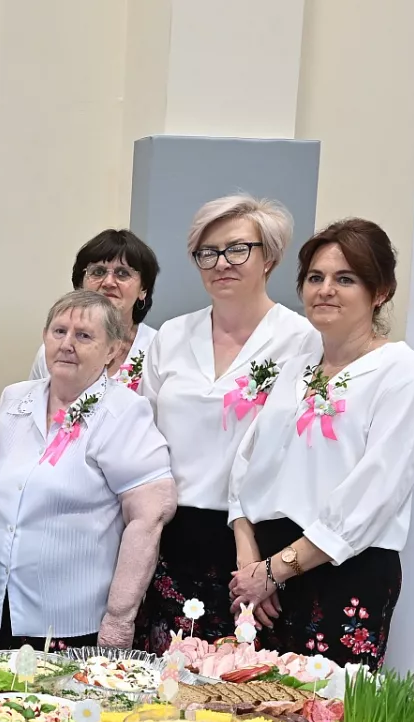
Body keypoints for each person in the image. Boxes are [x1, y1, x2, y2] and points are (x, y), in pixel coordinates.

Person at [227, 218, 414, 665]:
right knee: (248, 714)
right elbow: (247, 463)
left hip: (343, 570)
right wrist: (252, 564)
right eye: (315, 278)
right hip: (264, 578)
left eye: (345, 279)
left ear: (379, 292)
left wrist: (277, 569)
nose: (325, 289)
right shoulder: (297, 363)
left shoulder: (402, 372)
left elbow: (375, 492)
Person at [138, 195, 320, 650]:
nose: (222, 263)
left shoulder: (302, 341)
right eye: (208, 252)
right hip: (173, 534)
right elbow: (145, 439)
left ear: (270, 257)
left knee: (246, 685)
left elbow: (301, 453)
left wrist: (267, 557)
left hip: (258, 538)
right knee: (166, 679)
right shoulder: (172, 336)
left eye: (238, 249)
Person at [0, 291, 176, 650]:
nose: (67, 344)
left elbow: (148, 517)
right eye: (59, 331)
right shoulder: (13, 401)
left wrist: (119, 619)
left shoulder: (124, 413)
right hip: (2, 611)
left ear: (113, 351)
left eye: (84, 336)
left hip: (75, 623)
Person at [25, 229, 159, 386]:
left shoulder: (158, 348)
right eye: (98, 272)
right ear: (81, 284)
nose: (108, 282)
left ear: (143, 289)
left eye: (122, 273)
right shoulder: (56, 349)